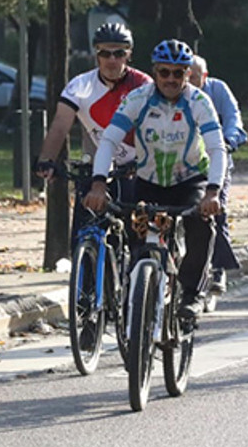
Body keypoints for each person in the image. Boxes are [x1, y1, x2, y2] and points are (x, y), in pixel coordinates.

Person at [85, 39, 224, 322]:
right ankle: (138, 289)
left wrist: (213, 192)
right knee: (134, 234)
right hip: (148, 182)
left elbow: (217, 148)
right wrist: (98, 183)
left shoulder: (198, 101)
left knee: (201, 223)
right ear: (155, 71)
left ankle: (192, 293)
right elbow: (109, 140)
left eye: (178, 73)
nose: (171, 79)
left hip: (189, 180)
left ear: (187, 73)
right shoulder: (138, 99)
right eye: (164, 73)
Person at [34, 22, 151, 231]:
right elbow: (60, 125)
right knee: (84, 227)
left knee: (136, 233)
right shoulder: (80, 85)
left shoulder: (143, 85)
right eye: (105, 53)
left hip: (136, 166)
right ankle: (84, 260)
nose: (112, 60)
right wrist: (46, 160)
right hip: (97, 165)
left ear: (129, 55)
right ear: (96, 55)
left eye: (119, 53)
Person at [189, 55, 248, 297]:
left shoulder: (218, 90)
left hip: (216, 161)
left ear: (205, 76)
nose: (188, 82)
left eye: (193, 77)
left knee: (215, 211)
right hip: (184, 165)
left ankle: (217, 267)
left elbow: (234, 120)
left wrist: (229, 140)